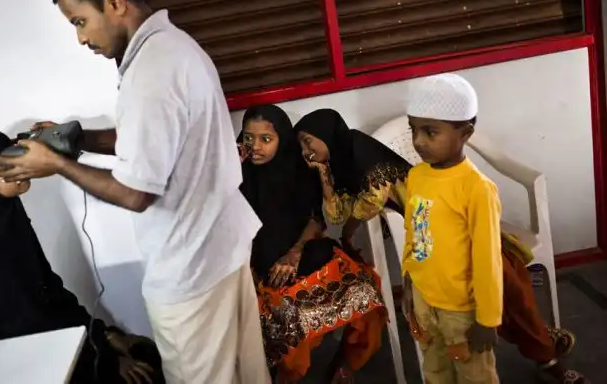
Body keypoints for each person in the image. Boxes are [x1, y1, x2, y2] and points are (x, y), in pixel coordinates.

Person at [0, 0, 269, 384]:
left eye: (80, 21)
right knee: (245, 374)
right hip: (220, 247)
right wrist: (77, 140)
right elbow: (152, 141)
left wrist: (57, 165)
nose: (81, 38)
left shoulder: (151, 72)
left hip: (192, 270)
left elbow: (136, 193)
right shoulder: (174, 48)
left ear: (114, 2)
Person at [294, 108, 588, 384]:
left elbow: (363, 206)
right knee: (464, 322)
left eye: (309, 141)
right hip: (428, 240)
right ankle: (542, 344)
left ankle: (546, 356)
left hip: (456, 230)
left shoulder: (364, 155)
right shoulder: (342, 163)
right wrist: (325, 178)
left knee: (506, 282)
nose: (307, 151)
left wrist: (343, 214)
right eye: (302, 146)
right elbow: (342, 214)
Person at [0, 126, 164, 384]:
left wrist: (104, 334)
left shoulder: (4, 220)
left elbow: (49, 293)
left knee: (145, 351)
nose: (19, 168)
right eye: (3, 165)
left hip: (54, 343)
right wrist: (105, 356)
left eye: (14, 157)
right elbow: (28, 330)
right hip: (31, 363)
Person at [238, 105, 388, 383]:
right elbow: (232, 233)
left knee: (366, 295)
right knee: (290, 322)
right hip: (262, 267)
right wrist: (249, 271)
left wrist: (294, 253)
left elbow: (315, 220)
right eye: (248, 138)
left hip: (303, 253)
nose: (255, 147)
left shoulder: (299, 168)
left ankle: (344, 369)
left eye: (265, 139)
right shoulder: (236, 175)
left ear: (282, 139)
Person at [401, 73, 502, 383]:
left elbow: (488, 258)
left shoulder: (476, 188)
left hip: (462, 311)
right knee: (434, 372)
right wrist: (408, 280)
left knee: (475, 376)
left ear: (465, 133)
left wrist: (488, 318)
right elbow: (413, 232)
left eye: (430, 132)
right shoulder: (417, 176)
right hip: (424, 300)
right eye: (414, 130)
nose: (418, 141)